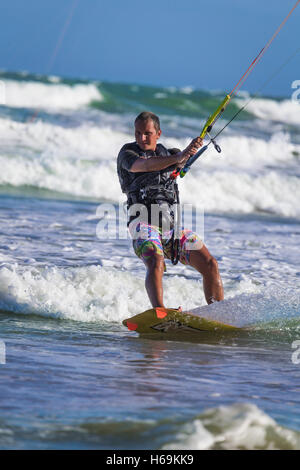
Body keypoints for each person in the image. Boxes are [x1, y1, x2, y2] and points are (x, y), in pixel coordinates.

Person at [117, 111, 224, 308]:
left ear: (158, 133)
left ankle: (218, 312)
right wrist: (181, 156)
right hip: (142, 224)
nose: (141, 138)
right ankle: (159, 312)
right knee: (156, 262)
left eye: (147, 133)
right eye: (137, 133)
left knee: (210, 264)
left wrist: (188, 152)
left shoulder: (171, 154)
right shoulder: (127, 154)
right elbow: (146, 165)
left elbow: (181, 161)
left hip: (171, 230)